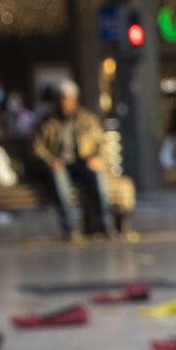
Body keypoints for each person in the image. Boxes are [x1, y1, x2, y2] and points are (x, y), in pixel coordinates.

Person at [34, 79, 108, 240]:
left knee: (98, 175)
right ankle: (69, 227)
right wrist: (49, 160)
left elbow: (102, 144)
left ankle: (105, 222)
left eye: (67, 99)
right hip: (59, 165)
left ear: (75, 99)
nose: (64, 103)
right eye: (61, 99)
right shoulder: (47, 122)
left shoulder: (88, 119)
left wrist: (97, 158)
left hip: (83, 163)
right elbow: (37, 148)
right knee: (59, 178)